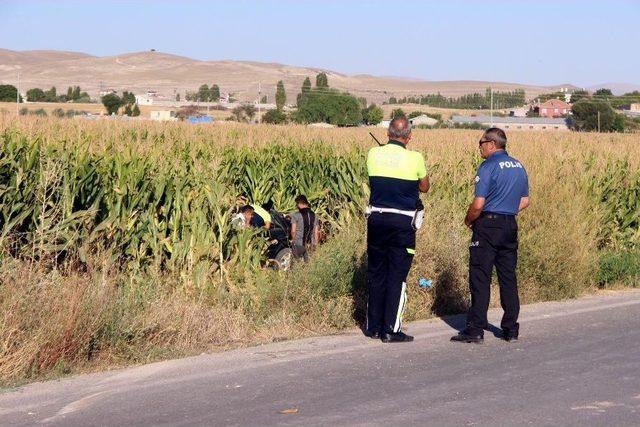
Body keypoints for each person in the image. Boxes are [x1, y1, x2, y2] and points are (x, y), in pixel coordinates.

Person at [451, 127, 530, 344]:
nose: (479, 147)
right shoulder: (518, 165)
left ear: (492, 144)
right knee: (507, 278)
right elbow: (525, 200)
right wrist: (507, 211)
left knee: (480, 276)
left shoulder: (488, 166)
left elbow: (478, 204)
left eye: (481, 143)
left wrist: (470, 220)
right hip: (509, 225)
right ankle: (511, 329)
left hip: (488, 226)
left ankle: (475, 329)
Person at [365, 117, 430, 343]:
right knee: (397, 276)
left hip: (376, 219)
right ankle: (390, 329)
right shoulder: (415, 158)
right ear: (409, 136)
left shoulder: (373, 154)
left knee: (376, 272)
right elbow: (425, 186)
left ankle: (372, 326)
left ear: (388, 133)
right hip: (402, 223)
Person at [289, 195, 320, 261]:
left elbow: (293, 231)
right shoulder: (315, 216)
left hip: (298, 243)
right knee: (308, 265)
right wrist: (315, 244)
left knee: (295, 263)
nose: (297, 206)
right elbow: (316, 232)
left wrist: (293, 240)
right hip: (310, 244)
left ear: (300, 203)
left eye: (297, 204)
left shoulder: (296, 215)